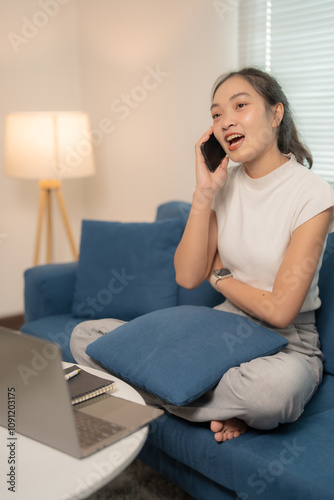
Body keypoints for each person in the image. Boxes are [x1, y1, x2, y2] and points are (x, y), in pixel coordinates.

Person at [71, 67, 334, 443]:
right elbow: (189, 275)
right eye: (216, 114)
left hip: (288, 342)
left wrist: (220, 276)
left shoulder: (313, 193)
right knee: (87, 337)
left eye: (240, 106)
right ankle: (219, 407)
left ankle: (160, 396)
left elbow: (280, 310)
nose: (226, 121)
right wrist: (204, 192)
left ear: (276, 114)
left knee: (271, 393)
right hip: (219, 329)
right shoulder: (222, 186)